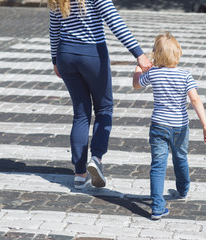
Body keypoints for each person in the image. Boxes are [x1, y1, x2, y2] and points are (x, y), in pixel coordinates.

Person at [48, 0, 152, 190]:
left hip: (65, 55)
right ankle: (96, 158)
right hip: (92, 54)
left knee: (81, 113)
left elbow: (54, 28)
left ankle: (79, 174)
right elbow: (114, 21)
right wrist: (139, 54)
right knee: (104, 108)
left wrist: (55, 58)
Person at [132, 31, 206, 220]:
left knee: (158, 165)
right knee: (180, 158)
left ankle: (157, 207)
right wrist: (205, 125)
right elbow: (195, 100)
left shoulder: (153, 74)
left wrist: (138, 69)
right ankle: (183, 189)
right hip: (180, 127)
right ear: (177, 54)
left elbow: (136, 85)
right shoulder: (185, 75)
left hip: (159, 125)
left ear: (156, 55)